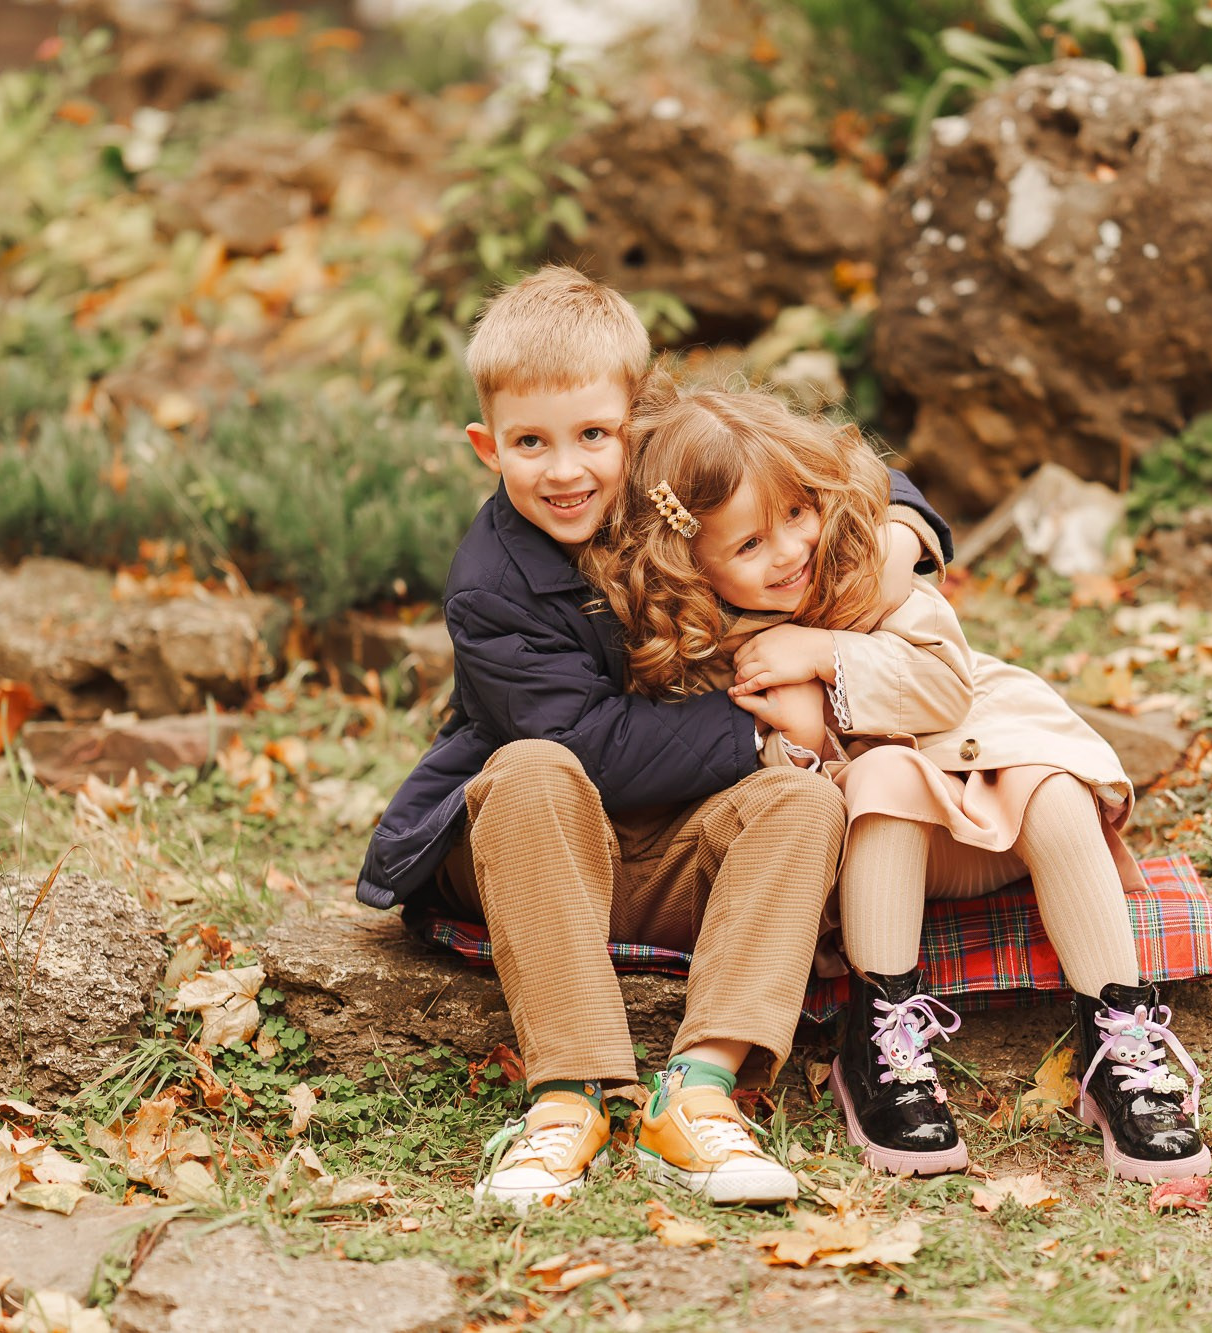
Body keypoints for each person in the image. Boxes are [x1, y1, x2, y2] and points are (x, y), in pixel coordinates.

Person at [356, 267, 953, 1209]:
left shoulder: (671, 474)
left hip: (677, 851)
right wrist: (764, 724)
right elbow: (589, 743)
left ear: (637, 423)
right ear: (487, 446)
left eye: (594, 435)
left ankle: (701, 1093)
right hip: (538, 844)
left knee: (802, 799)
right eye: (530, 444)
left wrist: (906, 530)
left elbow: (819, 465)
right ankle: (570, 1095)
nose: (566, 469)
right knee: (534, 768)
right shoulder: (492, 584)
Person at [585, 378, 1212, 1184]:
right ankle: (882, 1040)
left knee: (1056, 791)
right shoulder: (712, 648)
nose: (786, 552)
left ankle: (1122, 1042)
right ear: (693, 565)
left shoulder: (867, 569)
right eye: (747, 546)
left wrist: (826, 656)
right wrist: (805, 739)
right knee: (882, 774)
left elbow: (943, 686)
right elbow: (760, 792)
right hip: (880, 843)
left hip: (983, 793)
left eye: (796, 515)